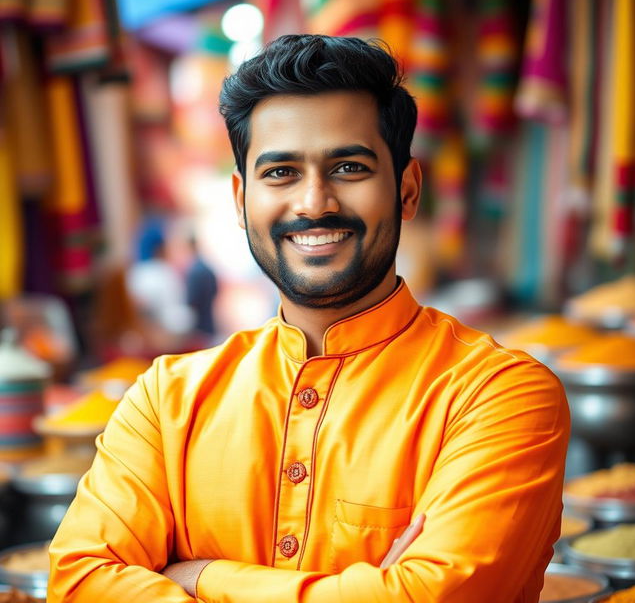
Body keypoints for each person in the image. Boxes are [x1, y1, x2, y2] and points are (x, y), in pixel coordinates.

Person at [48, 35, 570, 603]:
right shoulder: (167, 401)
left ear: (407, 189)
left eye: (348, 167)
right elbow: (78, 583)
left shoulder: (499, 395)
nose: (314, 203)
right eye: (280, 173)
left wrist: (201, 576)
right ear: (241, 201)